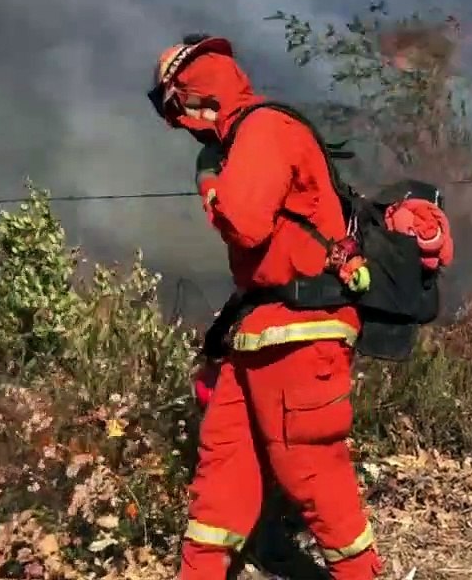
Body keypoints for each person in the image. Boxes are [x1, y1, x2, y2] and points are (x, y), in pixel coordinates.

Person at [149, 35, 383, 580]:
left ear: (193, 94)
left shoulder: (262, 131)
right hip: (260, 336)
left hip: (300, 335)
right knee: (223, 467)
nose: (181, 123)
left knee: (312, 472)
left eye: (177, 107)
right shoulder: (248, 136)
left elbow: (246, 222)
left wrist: (210, 183)